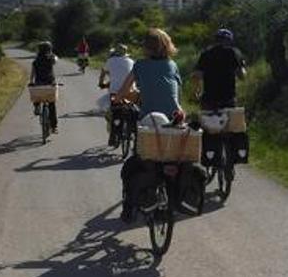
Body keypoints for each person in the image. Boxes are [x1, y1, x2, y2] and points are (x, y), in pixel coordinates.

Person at [116, 28, 184, 222]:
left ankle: (129, 207)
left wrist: (122, 98)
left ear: (146, 48)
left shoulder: (139, 65)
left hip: (150, 121)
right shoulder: (172, 65)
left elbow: (122, 93)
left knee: (132, 167)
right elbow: (177, 95)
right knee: (174, 158)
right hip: (174, 120)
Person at [191, 28, 247, 109]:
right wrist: (243, 66)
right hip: (228, 99)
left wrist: (196, 92)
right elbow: (242, 76)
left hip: (209, 100)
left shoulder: (205, 54)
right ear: (229, 40)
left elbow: (196, 76)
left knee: (207, 121)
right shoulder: (233, 52)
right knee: (232, 121)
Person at [98, 44, 135, 146]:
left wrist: (101, 83)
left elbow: (103, 72)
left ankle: (113, 136)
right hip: (130, 92)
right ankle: (132, 129)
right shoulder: (131, 61)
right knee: (133, 110)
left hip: (115, 93)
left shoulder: (110, 61)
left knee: (113, 112)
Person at [29, 41, 59, 134]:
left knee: (37, 94)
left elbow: (32, 74)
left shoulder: (35, 61)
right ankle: (54, 127)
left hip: (39, 83)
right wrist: (52, 54)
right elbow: (56, 60)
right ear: (49, 49)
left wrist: (31, 82)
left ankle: (37, 106)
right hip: (50, 83)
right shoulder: (51, 59)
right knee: (52, 105)